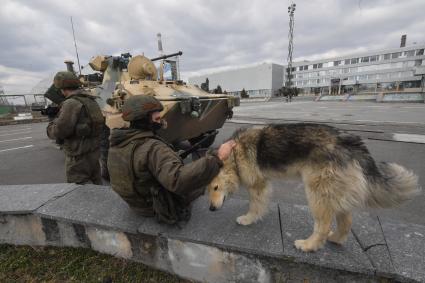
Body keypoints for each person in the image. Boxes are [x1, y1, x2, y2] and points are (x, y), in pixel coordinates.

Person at [108, 95, 235, 224]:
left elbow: (141, 168)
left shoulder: (120, 142)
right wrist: (217, 158)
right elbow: (178, 181)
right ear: (145, 120)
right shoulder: (153, 148)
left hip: (137, 203)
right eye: (157, 118)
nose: (161, 121)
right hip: (158, 207)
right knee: (202, 178)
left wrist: (173, 156)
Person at [47, 71, 104, 184]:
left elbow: (59, 131)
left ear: (62, 88)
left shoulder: (71, 103)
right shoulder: (91, 100)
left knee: (79, 191)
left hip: (78, 156)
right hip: (93, 152)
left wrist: (50, 126)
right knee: (97, 186)